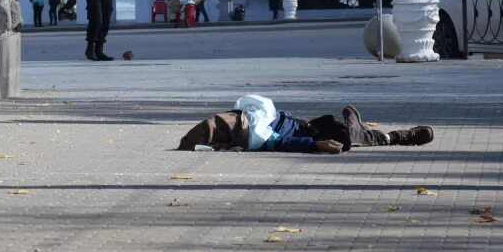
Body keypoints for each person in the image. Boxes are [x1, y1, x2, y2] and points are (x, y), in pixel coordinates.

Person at [177, 99, 433, 154]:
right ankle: (397, 137)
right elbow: (281, 143)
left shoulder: (248, 115)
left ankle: (356, 125)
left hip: (305, 125)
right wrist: (315, 146)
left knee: (345, 131)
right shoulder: (254, 136)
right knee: (348, 136)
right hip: (311, 132)